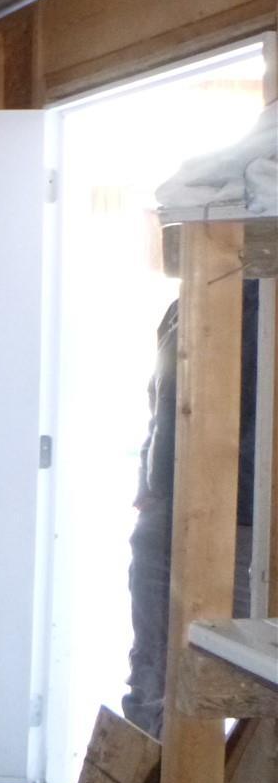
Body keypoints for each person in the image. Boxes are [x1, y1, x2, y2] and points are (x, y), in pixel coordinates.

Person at [121, 279, 259, 739]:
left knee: (239, 680)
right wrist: (148, 481)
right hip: (166, 512)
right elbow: (158, 397)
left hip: (244, 525)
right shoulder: (187, 302)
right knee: (152, 669)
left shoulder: (264, 310)